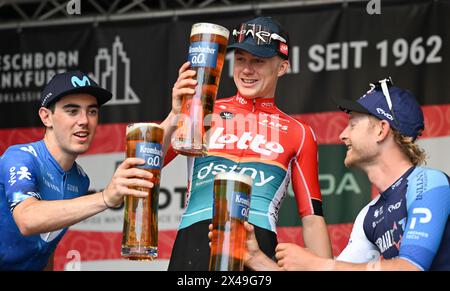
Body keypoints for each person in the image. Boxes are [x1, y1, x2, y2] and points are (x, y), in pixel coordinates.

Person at [159, 16, 332, 271]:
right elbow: (144, 164)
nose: (247, 70)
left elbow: (312, 218)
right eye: (240, 59)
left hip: (256, 249)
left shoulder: (299, 133)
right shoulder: (203, 111)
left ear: (282, 67)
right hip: (193, 245)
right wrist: (175, 115)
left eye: (258, 61)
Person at [243, 78, 450, 271]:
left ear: (381, 130)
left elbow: (410, 268)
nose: (342, 135)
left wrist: (319, 265)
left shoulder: (430, 182)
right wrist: (258, 261)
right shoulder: (369, 215)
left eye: (352, 124)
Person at [0, 71, 154, 271]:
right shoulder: (21, 157)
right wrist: (105, 197)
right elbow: (28, 219)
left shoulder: (80, 180)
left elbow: (45, 245)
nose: (84, 120)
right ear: (46, 117)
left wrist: (175, 115)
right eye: (72, 111)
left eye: (92, 111)